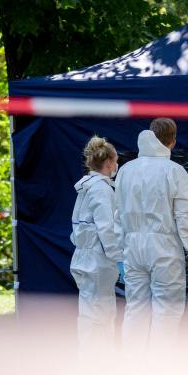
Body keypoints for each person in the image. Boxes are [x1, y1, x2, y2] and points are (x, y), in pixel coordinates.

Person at [115, 118, 188, 349]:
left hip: (132, 249)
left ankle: (132, 367)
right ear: (172, 141)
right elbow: (185, 216)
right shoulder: (174, 171)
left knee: (135, 310)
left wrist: (119, 256)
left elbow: (117, 215)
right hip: (164, 248)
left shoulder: (125, 170)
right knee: (167, 311)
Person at [70, 136, 122, 350]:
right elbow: (106, 228)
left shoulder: (85, 187)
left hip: (84, 258)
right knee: (101, 315)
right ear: (109, 162)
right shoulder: (101, 189)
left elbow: (77, 228)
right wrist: (118, 257)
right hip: (98, 262)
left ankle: (90, 362)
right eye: (116, 160)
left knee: (89, 313)